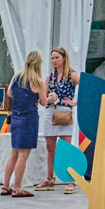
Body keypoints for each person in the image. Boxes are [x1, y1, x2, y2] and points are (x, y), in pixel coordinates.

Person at [2, 51, 43, 197]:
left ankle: (6, 186)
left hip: (16, 117)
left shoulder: (17, 76)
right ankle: (17, 188)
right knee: (23, 156)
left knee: (13, 154)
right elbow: (44, 102)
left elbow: (9, 93)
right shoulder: (38, 81)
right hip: (29, 118)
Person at [39, 47, 80, 195]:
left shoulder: (72, 75)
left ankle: (71, 180)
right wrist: (48, 98)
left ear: (64, 58)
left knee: (66, 147)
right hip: (51, 111)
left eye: (57, 58)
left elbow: (87, 87)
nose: (54, 61)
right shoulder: (50, 77)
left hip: (64, 111)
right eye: (52, 58)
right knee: (50, 147)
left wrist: (75, 103)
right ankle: (50, 177)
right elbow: (42, 98)